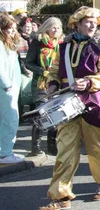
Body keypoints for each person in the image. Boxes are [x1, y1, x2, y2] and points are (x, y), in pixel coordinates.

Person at [38, 7, 100, 210]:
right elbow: (54, 70)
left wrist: (90, 82)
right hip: (67, 103)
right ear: (77, 24)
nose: (93, 25)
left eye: (95, 22)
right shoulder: (63, 47)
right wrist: (53, 83)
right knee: (65, 149)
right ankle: (60, 194)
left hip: (92, 102)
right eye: (88, 22)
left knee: (95, 148)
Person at [24, 17, 64, 156]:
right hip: (40, 83)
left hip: (55, 83)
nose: (56, 30)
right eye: (53, 27)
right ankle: (35, 147)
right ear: (46, 27)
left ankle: (52, 148)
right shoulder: (38, 42)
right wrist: (43, 71)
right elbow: (28, 63)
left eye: (58, 28)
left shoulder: (61, 44)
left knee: (55, 114)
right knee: (41, 113)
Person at [0, 14, 24, 164]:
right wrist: (7, 85)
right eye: (10, 28)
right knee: (10, 119)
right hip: (6, 89)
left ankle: (4, 151)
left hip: (9, 88)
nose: (13, 31)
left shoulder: (6, 43)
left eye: (14, 28)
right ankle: (5, 153)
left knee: (6, 120)